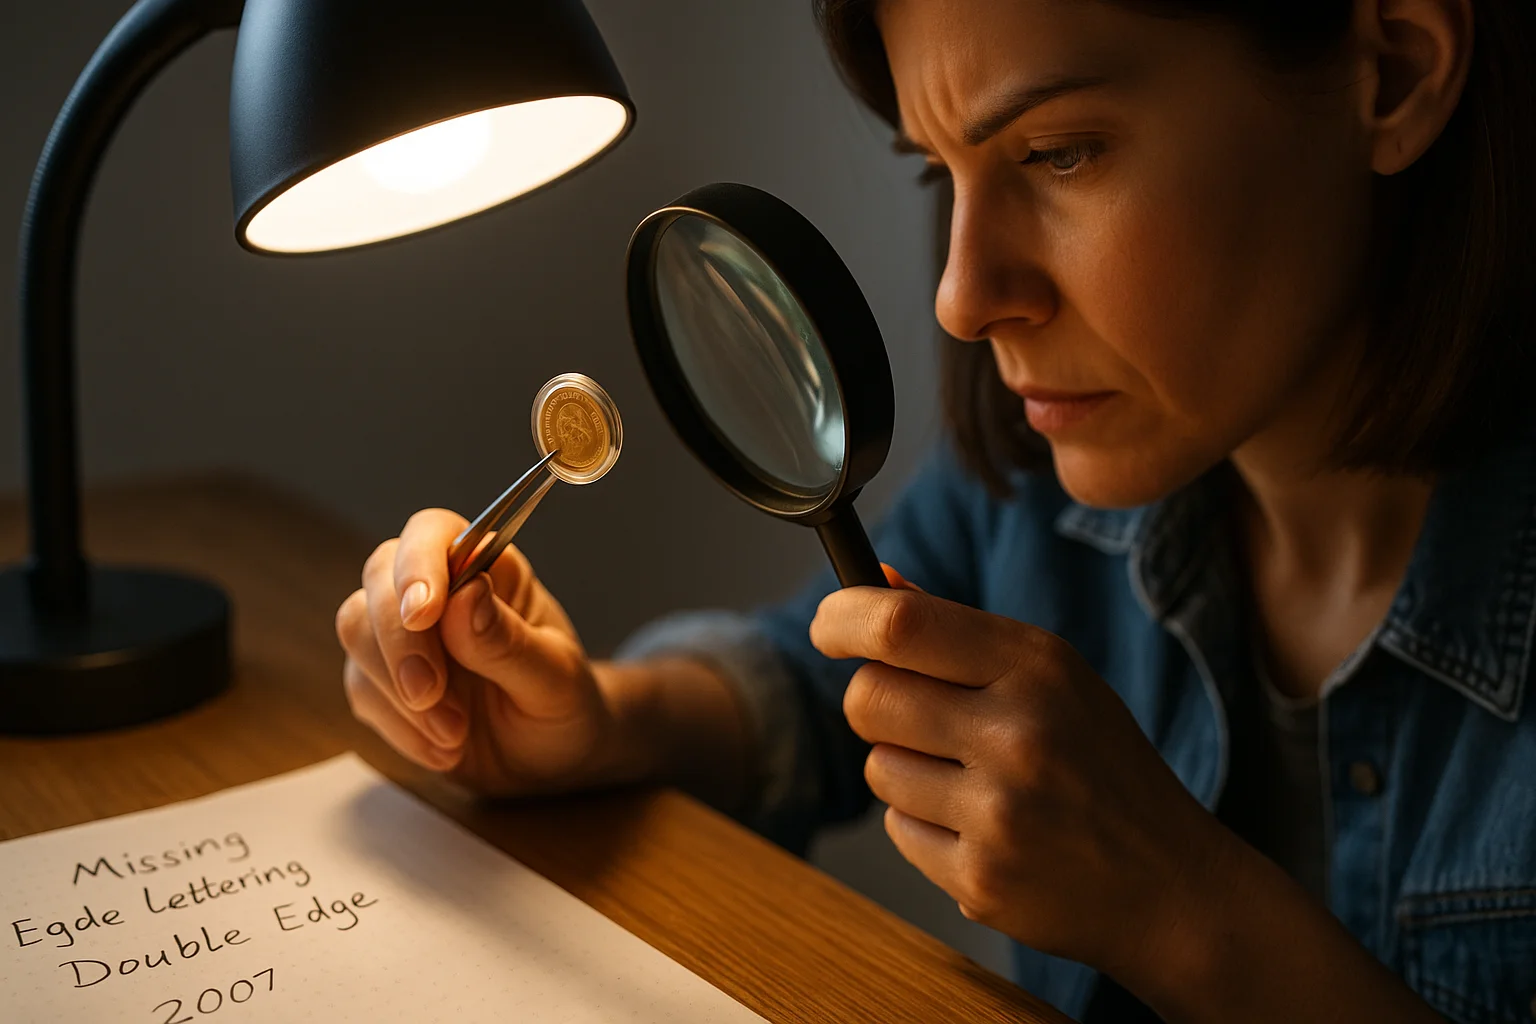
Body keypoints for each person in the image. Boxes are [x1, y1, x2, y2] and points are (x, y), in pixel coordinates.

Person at [334, 1, 1536, 1020]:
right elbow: (808, 695)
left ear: (1393, 72)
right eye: (939, 171)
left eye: (1059, 153)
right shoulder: (1027, 493)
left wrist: (1185, 912)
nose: (963, 296)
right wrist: (599, 717)